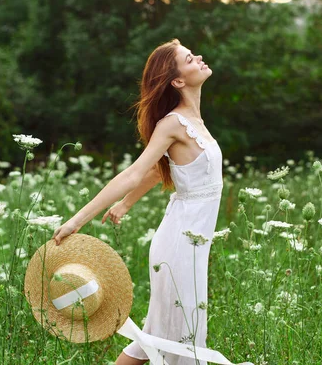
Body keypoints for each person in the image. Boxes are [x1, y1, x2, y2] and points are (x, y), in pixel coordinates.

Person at [52, 38, 223, 365]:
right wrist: (77, 220)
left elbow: (161, 172)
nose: (199, 57)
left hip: (193, 244)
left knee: (159, 338)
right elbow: (133, 172)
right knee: (182, 338)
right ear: (178, 80)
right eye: (190, 58)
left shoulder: (194, 122)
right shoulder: (173, 123)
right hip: (180, 246)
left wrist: (127, 204)